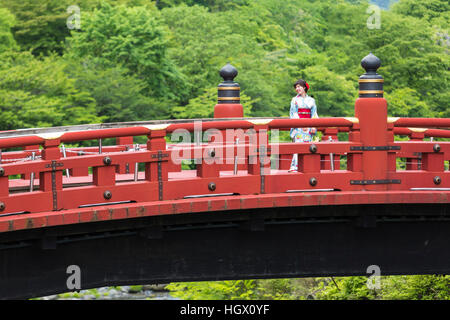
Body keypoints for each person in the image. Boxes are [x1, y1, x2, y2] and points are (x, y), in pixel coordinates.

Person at [289, 79, 319, 172]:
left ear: (304, 87)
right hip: (299, 126)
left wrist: (313, 126)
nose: (297, 89)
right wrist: (301, 124)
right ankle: (295, 166)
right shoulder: (294, 100)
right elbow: (293, 113)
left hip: (309, 126)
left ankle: (308, 166)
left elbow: (314, 114)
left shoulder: (311, 100)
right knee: (298, 145)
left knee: (308, 145)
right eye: (296, 87)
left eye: (299, 86)